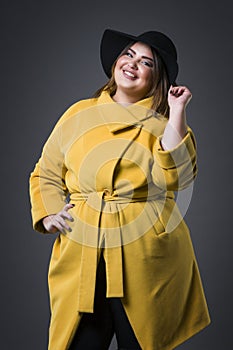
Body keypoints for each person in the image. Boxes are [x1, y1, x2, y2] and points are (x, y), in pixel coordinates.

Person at [29, 29, 210, 350]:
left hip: (145, 255)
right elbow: (45, 171)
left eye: (146, 62)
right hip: (83, 246)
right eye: (128, 54)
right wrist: (48, 215)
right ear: (115, 62)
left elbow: (177, 178)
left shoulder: (166, 125)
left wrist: (178, 111)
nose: (132, 64)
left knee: (141, 342)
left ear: (158, 78)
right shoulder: (78, 114)